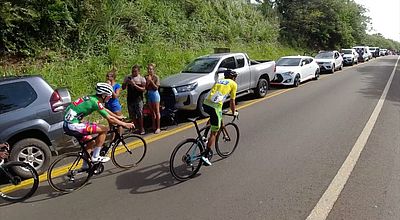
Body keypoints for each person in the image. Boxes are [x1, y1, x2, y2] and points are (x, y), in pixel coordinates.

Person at [63, 83, 134, 163]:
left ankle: (85, 165)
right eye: (109, 95)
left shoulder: (92, 98)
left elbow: (103, 109)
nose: (110, 97)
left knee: (91, 142)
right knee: (104, 129)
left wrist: (117, 117)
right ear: (103, 96)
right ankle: (96, 156)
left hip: (69, 124)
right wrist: (125, 124)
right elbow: (110, 119)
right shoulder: (95, 102)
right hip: (73, 125)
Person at [201, 69, 238, 166]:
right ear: (233, 77)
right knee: (214, 132)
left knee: (213, 118)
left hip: (205, 103)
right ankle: (205, 155)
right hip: (215, 107)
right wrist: (234, 112)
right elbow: (232, 101)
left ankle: (204, 137)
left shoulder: (219, 81)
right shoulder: (233, 84)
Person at [122, 65, 146, 135]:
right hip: (130, 98)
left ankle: (142, 128)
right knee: (132, 114)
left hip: (138, 99)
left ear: (138, 71)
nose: (133, 73)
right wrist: (126, 82)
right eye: (132, 71)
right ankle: (135, 127)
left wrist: (134, 85)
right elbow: (123, 87)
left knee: (140, 114)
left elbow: (143, 89)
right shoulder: (128, 77)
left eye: (135, 71)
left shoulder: (141, 79)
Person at [105, 69, 123, 136]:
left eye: (109, 76)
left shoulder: (117, 85)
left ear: (113, 77)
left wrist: (110, 87)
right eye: (107, 76)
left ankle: (120, 137)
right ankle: (112, 138)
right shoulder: (106, 85)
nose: (107, 78)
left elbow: (116, 96)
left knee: (119, 122)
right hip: (108, 105)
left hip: (115, 106)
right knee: (111, 123)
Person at [145, 63, 161, 134]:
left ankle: (158, 127)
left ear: (153, 70)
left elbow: (156, 88)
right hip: (149, 94)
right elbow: (146, 87)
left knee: (157, 111)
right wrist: (147, 81)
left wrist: (151, 81)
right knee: (151, 111)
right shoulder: (146, 77)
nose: (149, 70)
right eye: (148, 69)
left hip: (155, 94)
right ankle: (153, 125)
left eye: (151, 69)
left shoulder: (156, 77)